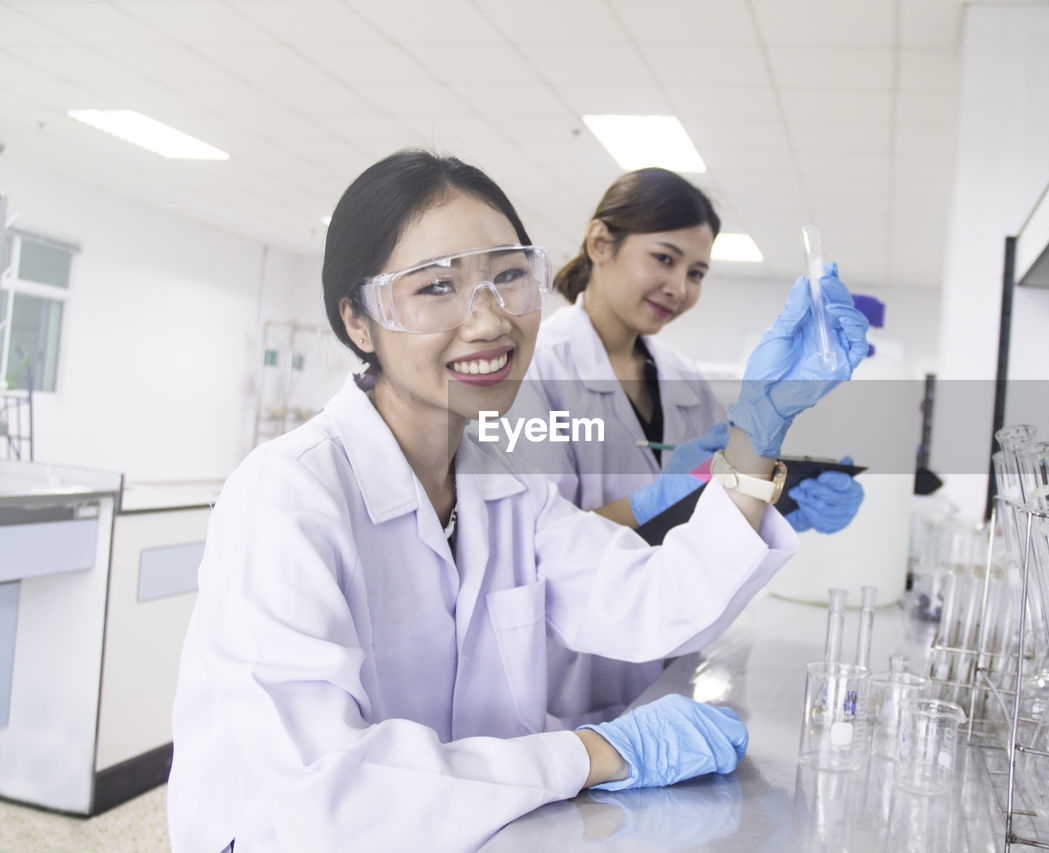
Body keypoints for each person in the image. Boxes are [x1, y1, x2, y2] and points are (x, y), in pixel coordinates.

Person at [166, 150, 869, 852]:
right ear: (358, 320)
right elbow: (335, 797)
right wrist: (591, 751)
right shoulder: (287, 497)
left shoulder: (505, 490)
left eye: (507, 277)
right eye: (437, 286)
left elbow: (656, 599)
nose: (489, 320)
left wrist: (759, 429)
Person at [504, 168, 865, 726]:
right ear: (601, 244)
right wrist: (656, 502)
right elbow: (528, 548)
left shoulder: (687, 382)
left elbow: (718, 506)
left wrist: (780, 506)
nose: (681, 287)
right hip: (562, 682)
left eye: (696, 272)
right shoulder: (535, 371)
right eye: (665, 259)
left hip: (667, 674)